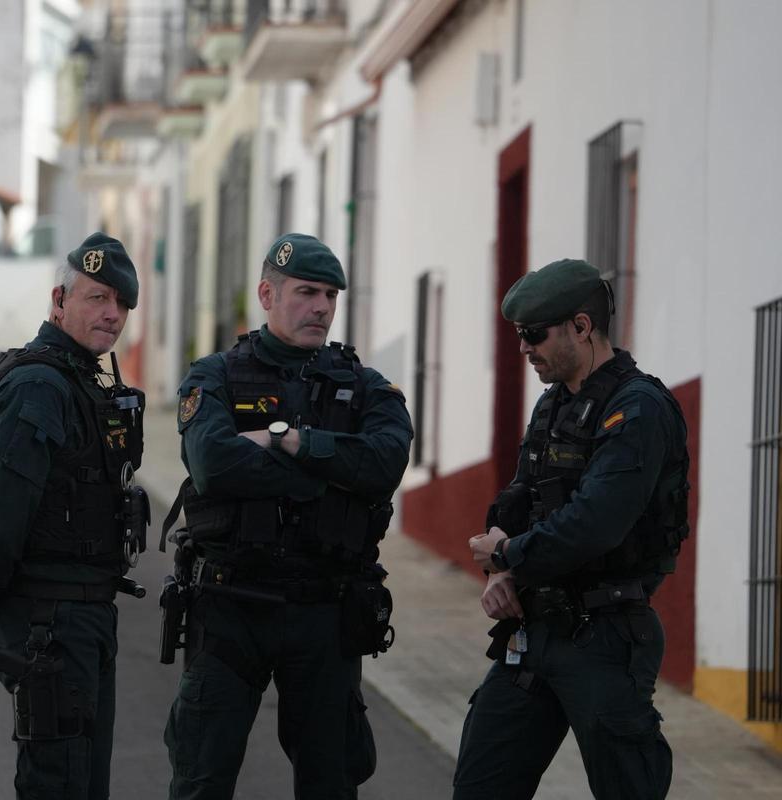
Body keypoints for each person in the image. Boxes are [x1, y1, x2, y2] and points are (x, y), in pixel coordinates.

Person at [160, 233, 413, 799]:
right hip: (231, 606)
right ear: (267, 294)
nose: (321, 307)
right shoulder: (215, 376)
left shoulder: (365, 386)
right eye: (306, 292)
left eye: (329, 295)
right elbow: (213, 465)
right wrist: (328, 474)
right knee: (201, 776)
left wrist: (288, 442)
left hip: (324, 610)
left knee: (329, 781)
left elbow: (386, 462)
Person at [454, 258, 690, 800]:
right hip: (534, 632)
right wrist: (499, 567)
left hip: (605, 635)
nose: (524, 348)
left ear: (581, 328)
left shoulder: (639, 408)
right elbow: (519, 497)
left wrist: (510, 554)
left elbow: (594, 524)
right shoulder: (555, 403)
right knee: (480, 784)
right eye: (519, 335)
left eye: (534, 334)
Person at [0, 233, 150, 800]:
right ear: (59, 298)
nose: (112, 315)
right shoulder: (40, 386)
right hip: (51, 625)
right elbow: (2, 512)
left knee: (81, 783)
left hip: (80, 619)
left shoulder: (79, 377)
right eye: (98, 298)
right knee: (58, 785)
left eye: (122, 304)